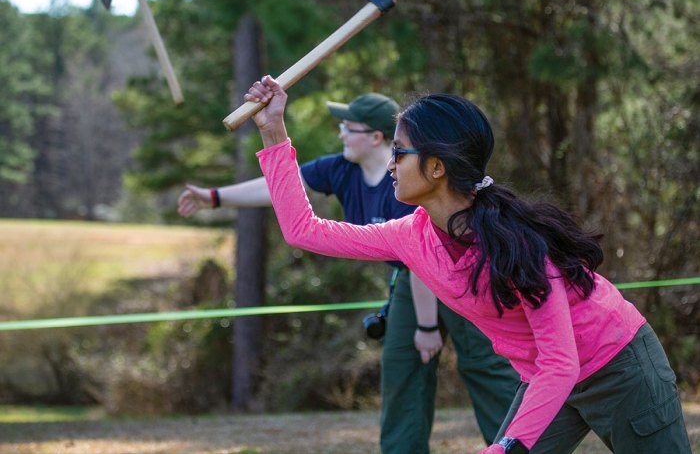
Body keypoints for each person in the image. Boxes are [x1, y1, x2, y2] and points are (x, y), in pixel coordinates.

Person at [245, 75, 692, 454]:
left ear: (437, 167)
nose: (390, 167)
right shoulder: (409, 235)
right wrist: (273, 130)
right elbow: (304, 229)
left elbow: (563, 360)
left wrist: (505, 448)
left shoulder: (516, 243)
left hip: (618, 364)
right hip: (547, 377)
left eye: (400, 153)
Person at [179, 92, 519, 452]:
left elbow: (429, 254)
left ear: (377, 137)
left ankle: (515, 444)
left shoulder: (411, 188)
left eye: (348, 127)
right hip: (410, 276)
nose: (340, 133)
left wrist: (428, 325)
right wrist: (216, 194)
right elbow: (287, 195)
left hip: (462, 273)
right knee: (402, 368)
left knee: (486, 368)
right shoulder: (345, 169)